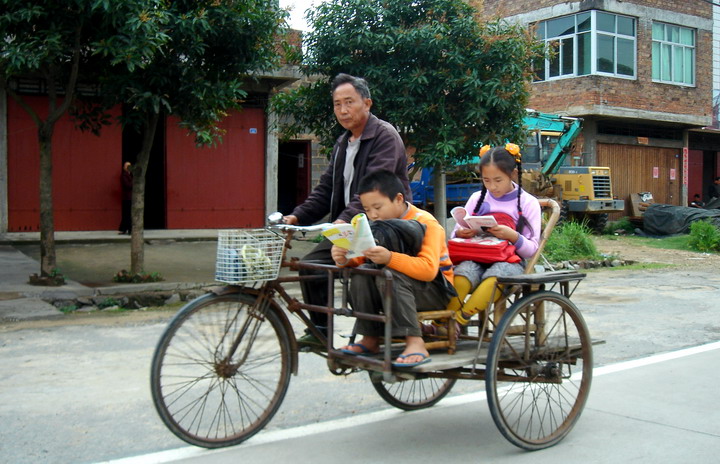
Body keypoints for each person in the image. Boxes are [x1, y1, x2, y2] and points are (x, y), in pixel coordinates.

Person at [283, 73, 411, 348]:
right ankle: (320, 331)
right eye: (337, 104)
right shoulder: (343, 143)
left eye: (349, 102)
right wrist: (297, 216)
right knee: (311, 266)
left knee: (363, 275)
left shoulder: (384, 137)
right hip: (350, 226)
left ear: (367, 103)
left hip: (385, 224)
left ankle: (374, 335)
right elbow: (326, 189)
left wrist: (340, 222)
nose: (342, 110)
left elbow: (373, 192)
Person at [330, 170, 454, 367]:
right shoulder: (376, 223)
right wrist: (345, 258)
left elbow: (429, 270)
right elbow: (363, 257)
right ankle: (370, 338)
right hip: (396, 287)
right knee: (363, 274)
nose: (373, 215)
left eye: (377, 207)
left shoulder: (427, 223)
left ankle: (415, 341)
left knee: (390, 275)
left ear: (398, 199)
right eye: (367, 209)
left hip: (436, 291)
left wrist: (390, 258)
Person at [447, 143, 541, 325]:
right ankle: (442, 321)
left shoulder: (529, 203)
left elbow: (531, 250)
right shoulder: (477, 199)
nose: (492, 187)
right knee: (463, 273)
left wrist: (512, 235)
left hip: (510, 261)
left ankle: (458, 322)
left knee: (496, 276)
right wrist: (462, 232)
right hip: (476, 255)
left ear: (513, 174)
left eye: (498, 180)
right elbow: (454, 236)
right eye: (486, 180)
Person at [119, 161, 133, 235]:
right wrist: (134, 183)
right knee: (127, 214)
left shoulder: (130, 175)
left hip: (129, 197)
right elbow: (127, 185)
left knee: (127, 214)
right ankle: (129, 229)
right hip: (127, 197)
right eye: (127, 166)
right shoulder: (124, 175)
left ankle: (124, 229)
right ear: (124, 167)